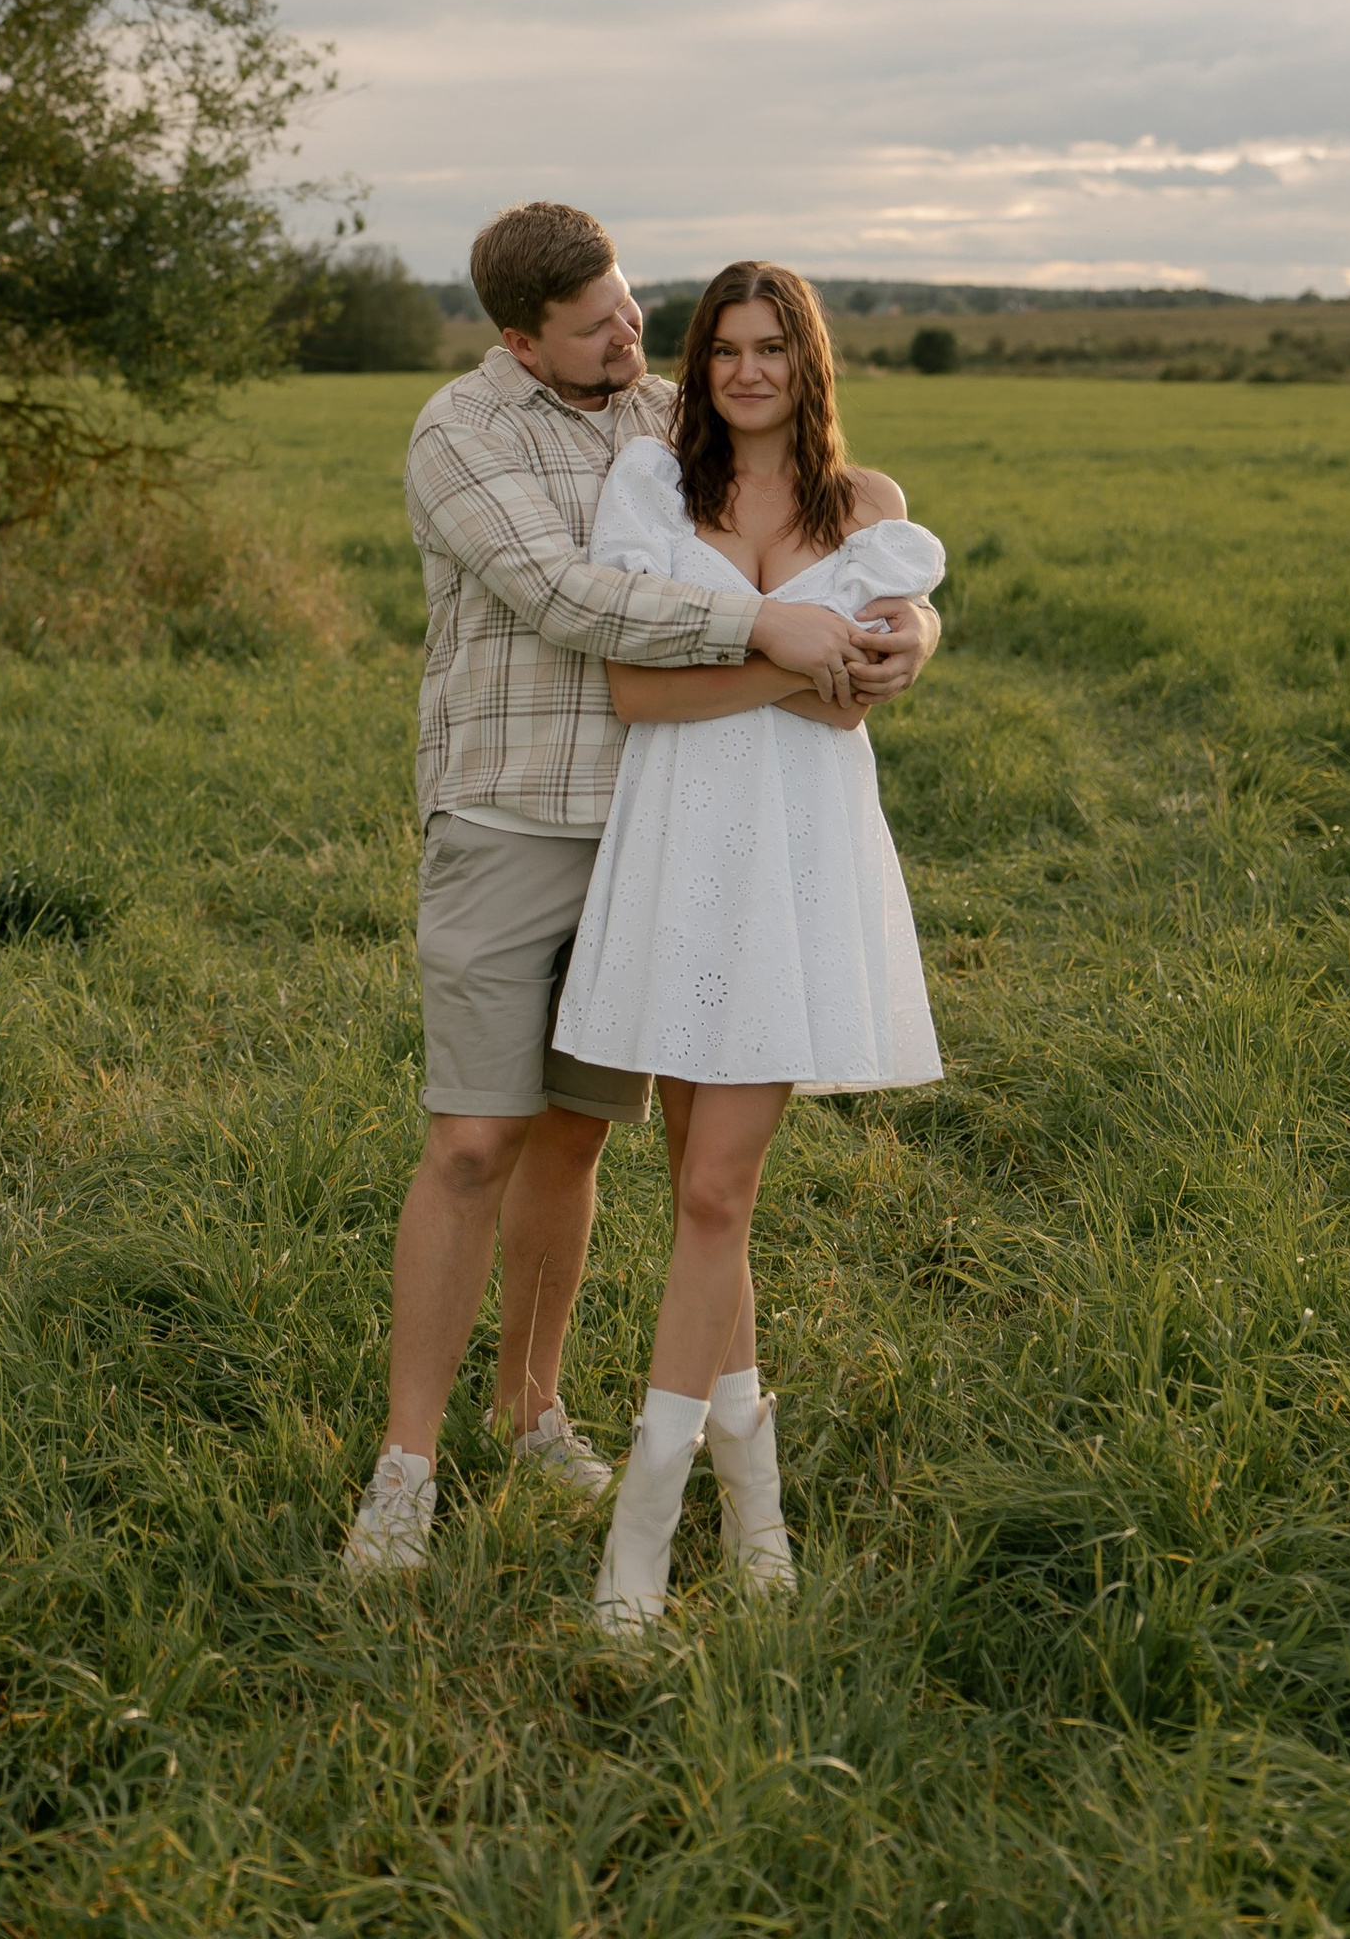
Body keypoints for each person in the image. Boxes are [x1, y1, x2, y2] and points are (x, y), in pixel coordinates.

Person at [340, 204, 940, 1578]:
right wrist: (766, 629)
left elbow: (841, 523)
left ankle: (531, 1406)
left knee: (577, 1142)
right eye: (598, 324)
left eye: (628, 308)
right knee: (474, 1141)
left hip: (657, 829)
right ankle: (404, 1467)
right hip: (507, 817)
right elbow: (564, 598)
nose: (632, 338)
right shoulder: (461, 435)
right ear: (518, 338)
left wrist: (915, 622)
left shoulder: (660, 412)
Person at [551, 259, 945, 1632]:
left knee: (716, 1189)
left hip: (796, 858)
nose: (747, 371)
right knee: (699, 1194)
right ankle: (756, 1508)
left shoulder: (870, 512)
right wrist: (795, 656)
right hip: (677, 851)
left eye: (772, 347)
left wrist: (888, 651)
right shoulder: (656, 492)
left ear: (809, 361)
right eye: (725, 348)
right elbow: (638, 691)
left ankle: (641, 1542)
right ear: (703, 363)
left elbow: (855, 711)